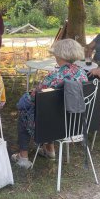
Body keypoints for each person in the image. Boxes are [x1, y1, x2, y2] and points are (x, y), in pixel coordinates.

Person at [12, 39, 88, 169]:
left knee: (24, 110)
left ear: (59, 55)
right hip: (74, 124)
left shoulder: (54, 77)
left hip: (52, 126)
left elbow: (33, 98)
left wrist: (25, 98)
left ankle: (23, 157)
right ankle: (49, 149)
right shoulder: (83, 74)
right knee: (52, 109)